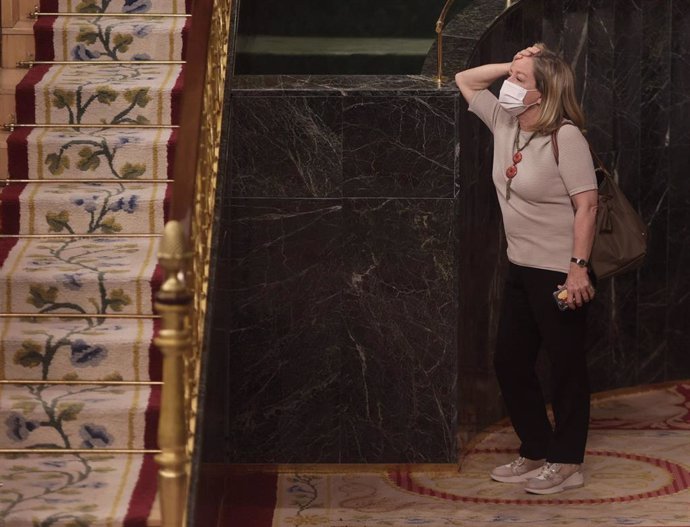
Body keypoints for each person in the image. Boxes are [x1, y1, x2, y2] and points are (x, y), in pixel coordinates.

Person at [455, 43, 599, 495]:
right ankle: (536, 446)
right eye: (511, 80)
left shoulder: (567, 136)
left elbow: (587, 205)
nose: (508, 87)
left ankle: (567, 461)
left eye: (519, 83)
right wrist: (516, 64)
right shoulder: (505, 121)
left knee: (566, 368)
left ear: (544, 94)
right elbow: (465, 80)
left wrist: (578, 270)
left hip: (559, 272)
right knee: (510, 362)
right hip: (520, 267)